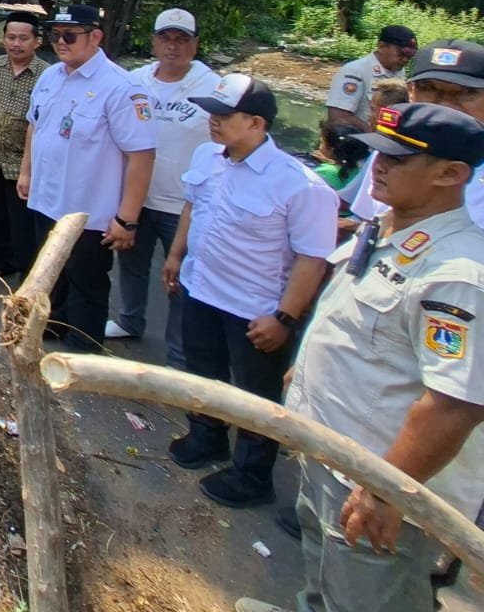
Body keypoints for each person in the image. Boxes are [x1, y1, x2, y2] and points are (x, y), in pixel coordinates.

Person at [235, 102, 484, 612]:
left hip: (378, 475)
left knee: (364, 594)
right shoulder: (388, 227)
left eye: (398, 160)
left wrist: (386, 491)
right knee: (322, 565)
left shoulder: (459, 273)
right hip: (330, 446)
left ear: (451, 174)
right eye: (378, 155)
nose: (379, 167)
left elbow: (454, 405)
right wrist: (304, 372)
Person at [159, 74, 338, 509]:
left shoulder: (300, 186)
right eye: (212, 112)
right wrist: (176, 256)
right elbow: (192, 207)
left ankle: (252, 476)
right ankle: (207, 437)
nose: (213, 121)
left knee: (257, 397)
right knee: (203, 373)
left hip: (254, 310)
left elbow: (312, 259)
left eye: (224, 115)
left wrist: (284, 318)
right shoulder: (207, 156)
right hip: (201, 289)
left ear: (257, 123)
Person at [18, 5, 155, 350]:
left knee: (87, 284)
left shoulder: (121, 87)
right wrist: (26, 172)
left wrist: (127, 219)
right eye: (55, 35)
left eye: (70, 35)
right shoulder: (51, 76)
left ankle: (83, 352)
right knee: (50, 275)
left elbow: (141, 156)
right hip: (46, 199)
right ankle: (51, 328)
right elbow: (35, 126)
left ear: (95, 37)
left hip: (89, 213)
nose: (60, 42)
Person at [107, 8, 221, 360]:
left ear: (195, 44)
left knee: (180, 278)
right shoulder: (135, 80)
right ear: (154, 41)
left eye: (182, 39)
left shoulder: (213, 87)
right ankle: (129, 319)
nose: (173, 46)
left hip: (184, 203)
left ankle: (178, 353)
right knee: (131, 264)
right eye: (166, 38)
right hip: (138, 197)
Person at [347, 40, 484, 230]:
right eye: (428, 88)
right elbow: (367, 220)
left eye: (466, 92)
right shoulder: (391, 150)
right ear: (411, 92)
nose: (444, 104)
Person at [0, 11, 48, 281]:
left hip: (25, 162)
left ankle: (28, 272)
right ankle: (2, 261)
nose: (16, 44)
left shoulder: (47, 74)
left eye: (23, 38)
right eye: (11, 37)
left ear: (37, 41)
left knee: (24, 222)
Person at [326, 24, 418, 131]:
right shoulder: (355, 71)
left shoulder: (398, 72)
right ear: (381, 46)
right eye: (401, 53)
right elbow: (338, 116)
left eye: (410, 56)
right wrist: (373, 135)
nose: (405, 59)